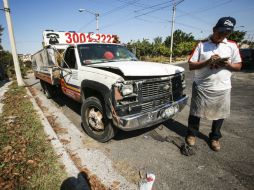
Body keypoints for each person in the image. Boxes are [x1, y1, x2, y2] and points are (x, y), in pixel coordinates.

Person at [186, 16, 242, 151]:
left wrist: (226, 64)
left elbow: (238, 66)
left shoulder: (232, 46)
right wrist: (207, 62)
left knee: (220, 114)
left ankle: (215, 137)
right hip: (202, 87)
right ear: (214, 29)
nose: (222, 35)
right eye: (220, 32)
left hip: (222, 87)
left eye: (226, 33)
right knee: (195, 112)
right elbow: (191, 66)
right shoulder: (202, 45)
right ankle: (191, 134)